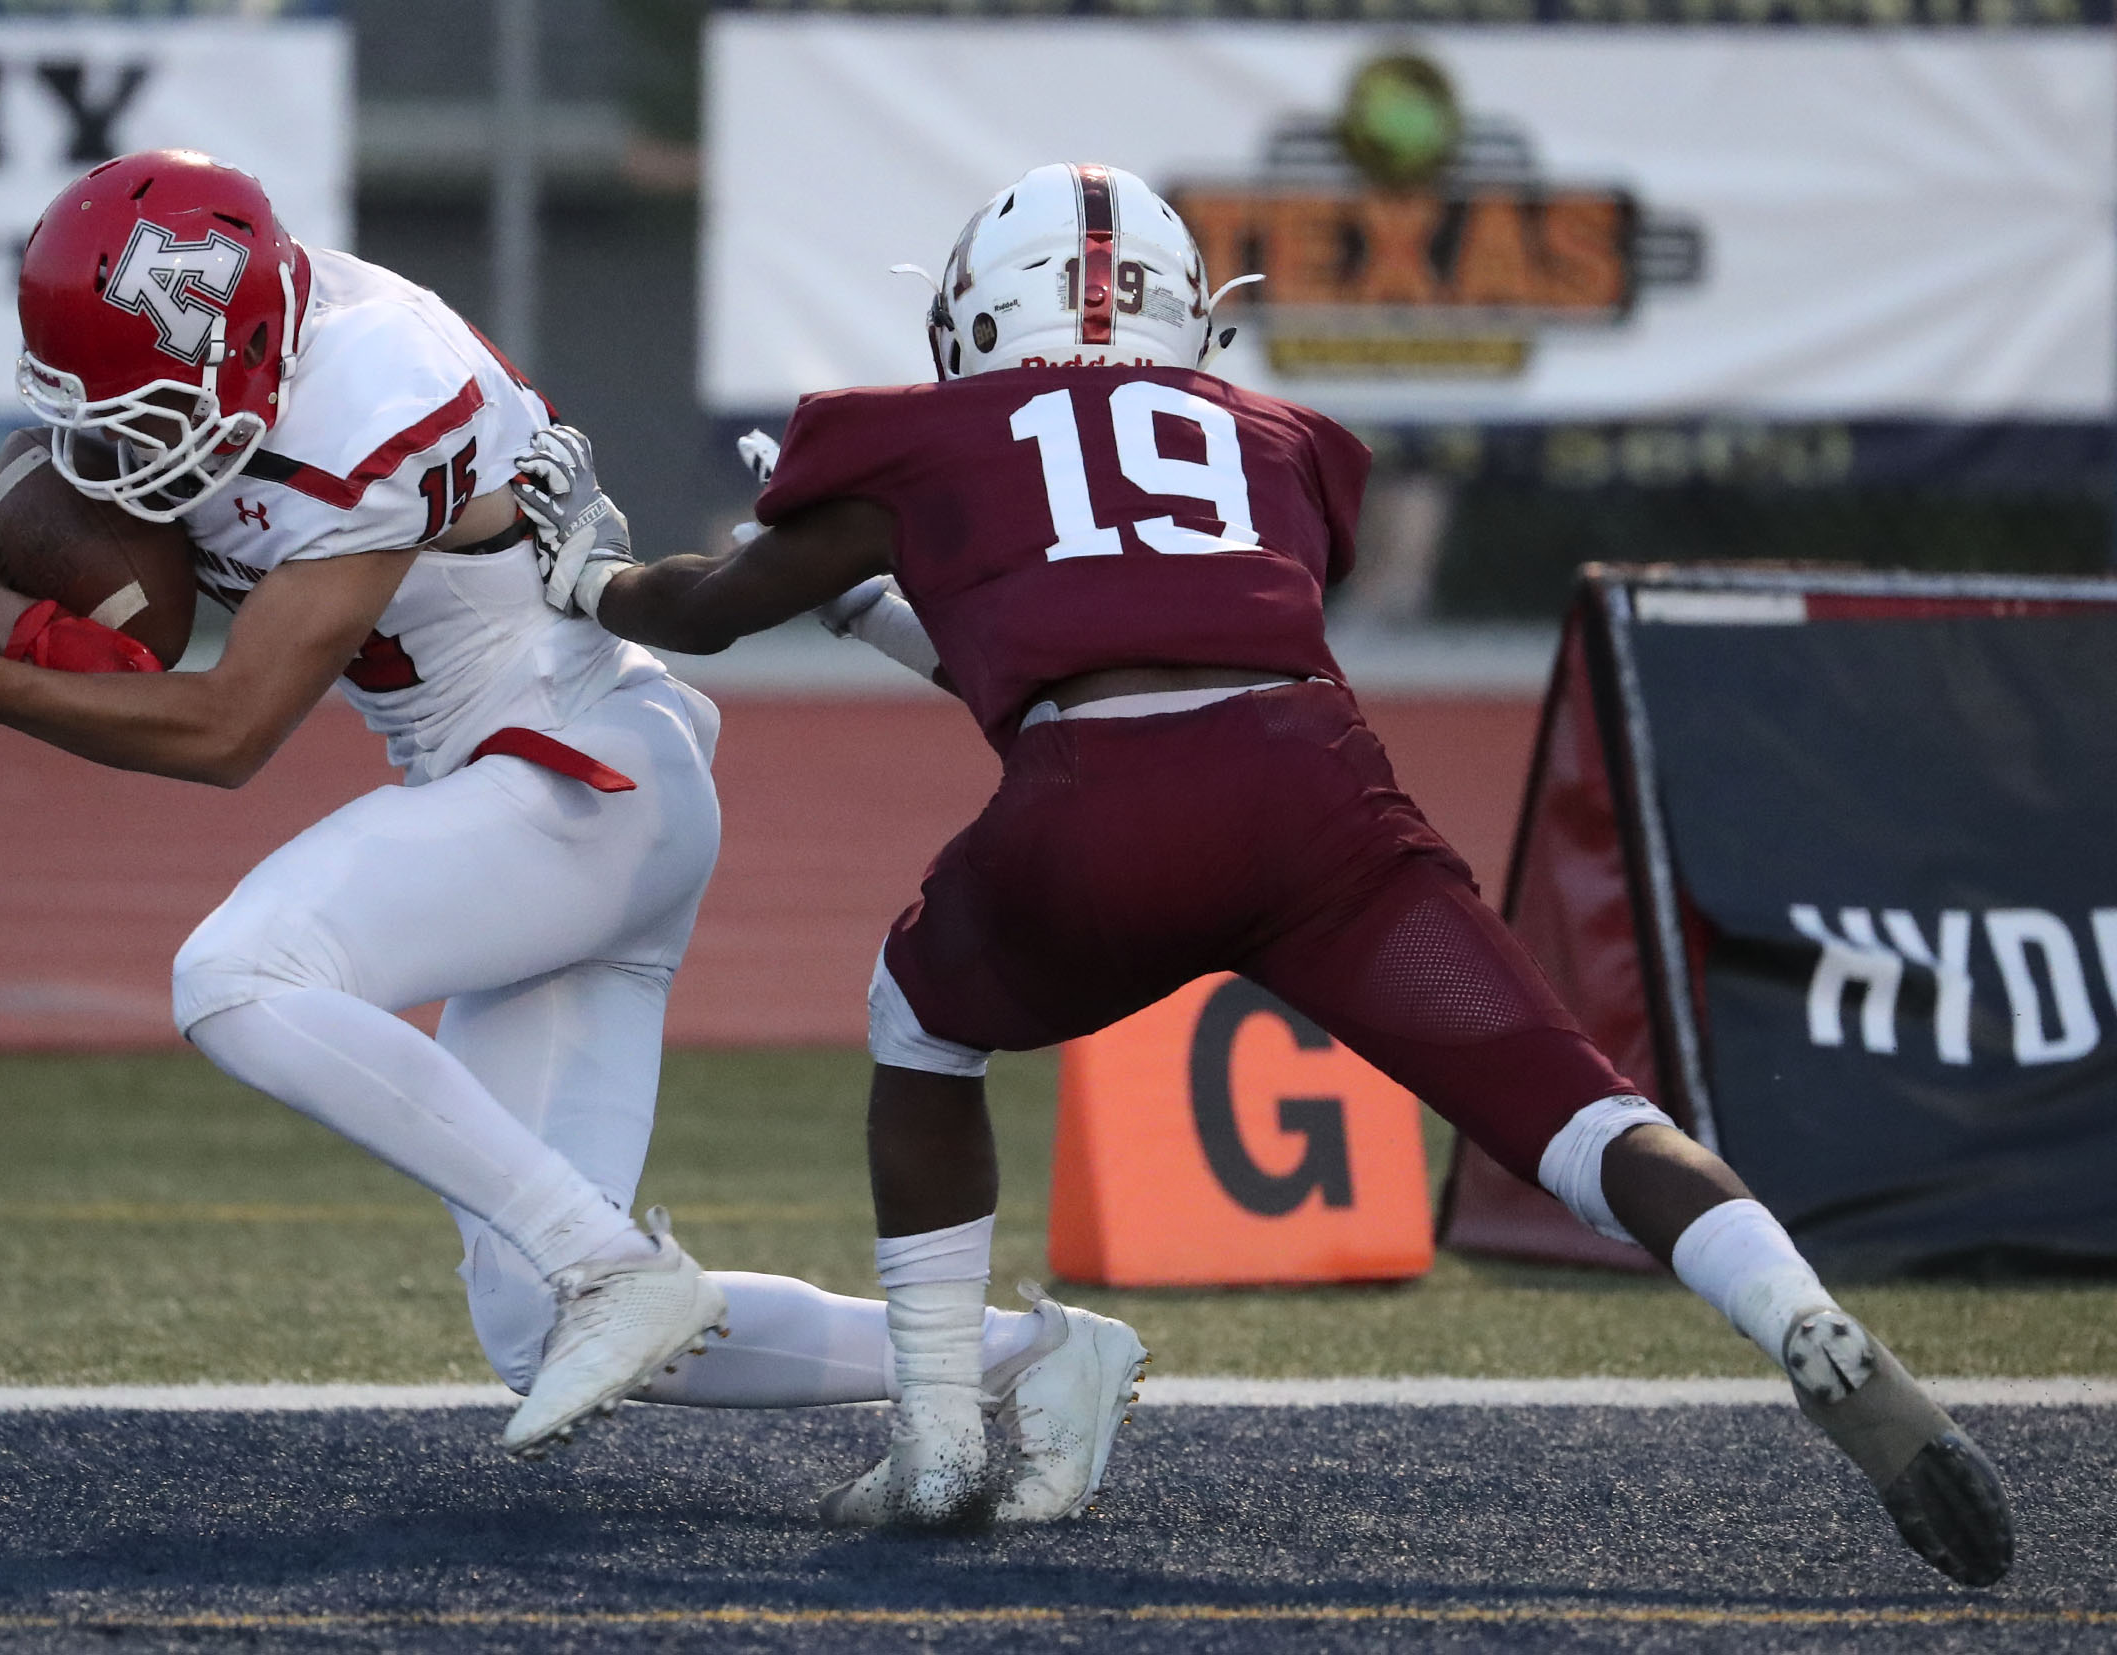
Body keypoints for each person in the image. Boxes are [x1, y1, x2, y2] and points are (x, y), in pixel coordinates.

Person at [510, 160, 2017, 1580]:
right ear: (1187, 312)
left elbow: (721, 612)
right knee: (1581, 1111)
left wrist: (591, 571)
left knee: (920, 1021)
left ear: (976, 312)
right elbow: (1126, 636)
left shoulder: (922, 433)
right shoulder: (1282, 441)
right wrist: (879, 601)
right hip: (1317, 799)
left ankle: (937, 1434)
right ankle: (1804, 1320)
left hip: (1095, 814)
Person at [0, 147, 1145, 1519]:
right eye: (101, 420)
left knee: (241, 976)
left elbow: (227, 734)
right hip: (552, 808)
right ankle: (1035, 1360)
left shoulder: (382, 387)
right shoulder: (203, 356)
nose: (122, 453)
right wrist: (8, 619)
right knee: (530, 1330)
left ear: (247, 347)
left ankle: (612, 1264)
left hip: (574, 778)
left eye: (150, 416)